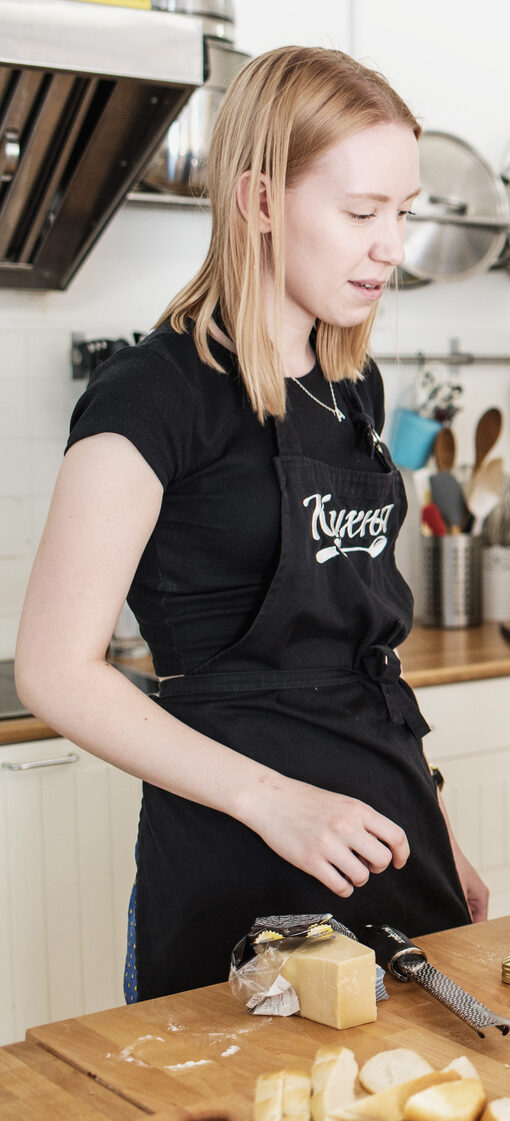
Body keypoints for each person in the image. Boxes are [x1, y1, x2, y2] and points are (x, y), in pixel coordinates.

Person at [15, 46, 485, 1001]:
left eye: (403, 212)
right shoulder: (152, 397)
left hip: (390, 841)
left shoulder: (355, 387)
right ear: (260, 200)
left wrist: (441, 831)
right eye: (361, 214)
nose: (391, 246)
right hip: (241, 866)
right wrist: (278, 805)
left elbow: (368, 657)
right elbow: (54, 671)